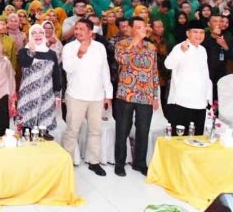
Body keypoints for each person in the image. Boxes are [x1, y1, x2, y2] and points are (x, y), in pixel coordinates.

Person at [61, 19, 113, 177]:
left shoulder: (100, 48)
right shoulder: (69, 48)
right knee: (72, 130)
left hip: (96, 96)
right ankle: (66, 161)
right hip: (76, 95)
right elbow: (67, 68)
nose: (77, 32)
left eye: (81, 29)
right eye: (76, 29)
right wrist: (80, 54)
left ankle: (94, 161)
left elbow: (105, 71)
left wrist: (108, 94)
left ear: (91, 32)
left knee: (95, 131)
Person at [114, 16, 160, 176]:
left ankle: (139, 163)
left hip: (146, 94)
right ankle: (119, 163)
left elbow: (154, 72)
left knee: (143, 130)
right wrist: (134, 43)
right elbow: (122, 60)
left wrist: (155, 96)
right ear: (131, 29)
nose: (142, 29)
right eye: (138, 27)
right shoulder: (122, 44)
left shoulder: (151, 47)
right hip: (126, 93)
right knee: (122, 129)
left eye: (143, 26)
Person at [164, 19, 213, 136]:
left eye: (201, 33)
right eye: (195, 32)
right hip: (181, 103)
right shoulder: (180, 47)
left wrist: (208, 97)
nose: (199, 35)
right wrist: (181, 51)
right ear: (188, 33)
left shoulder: (203, 50)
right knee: (180, 139)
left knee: (197, 138)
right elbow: (168, 64)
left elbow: (205, 75)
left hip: (200, 103)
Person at [16, 24, 62, 137]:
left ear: (44, 35)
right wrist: (31, 51)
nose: (37, 35)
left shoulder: (51, 53)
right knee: (27, 129)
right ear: (30, 36)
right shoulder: (24, 51)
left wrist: (57, 95)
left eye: (40, 32)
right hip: (28, 96)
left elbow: (56, 74)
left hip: (46, 95)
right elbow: (25, 63)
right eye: (34, 33)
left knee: (43, 130)